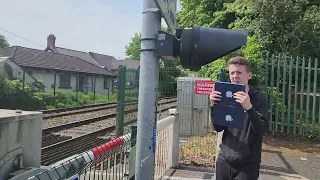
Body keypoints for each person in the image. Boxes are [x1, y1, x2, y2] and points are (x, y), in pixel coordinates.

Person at [210, 56, 269, 180]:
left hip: (247, 165)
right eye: (232, 72)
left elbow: (261, 130)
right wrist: (213, 106)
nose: (235, 76)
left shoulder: (259, 99)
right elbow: (217, 128)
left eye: (239, 72)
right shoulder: (226, 95)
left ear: (249, 75)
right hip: (224, 160)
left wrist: (249, 107)